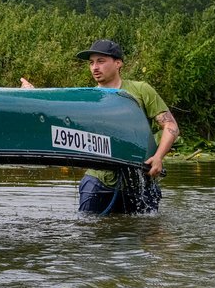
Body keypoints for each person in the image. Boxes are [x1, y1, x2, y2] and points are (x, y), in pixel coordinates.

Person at [22, 38, 179, 213]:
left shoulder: (141, 90)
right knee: (89, 231)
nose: (95, 67)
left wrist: (158, 157)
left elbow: (170, 126)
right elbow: (55, 116)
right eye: (91, 63)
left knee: (147, 231)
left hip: (139, 177)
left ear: (118, 63)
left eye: (101, 61)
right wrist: (33, 97)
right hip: (98, 180)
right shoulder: (87, 97)